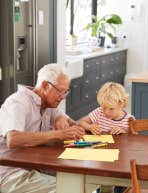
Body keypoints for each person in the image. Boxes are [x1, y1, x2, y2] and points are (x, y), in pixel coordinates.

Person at [0, 63, 85, 193]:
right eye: (60, 91)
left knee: (80, 181)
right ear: (45, 85)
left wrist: (63, 118)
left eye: (66, 92)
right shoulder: (18, 102)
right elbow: (13, 139)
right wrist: (58, 134)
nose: (63, 97)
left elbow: (72, 123)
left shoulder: (48, 104)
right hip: (11, 173)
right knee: (72, 189)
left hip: (36, 167)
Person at [79, 82, 134, 193]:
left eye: (111, 109)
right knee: (102, 182)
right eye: (103, 108)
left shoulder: (129, 120)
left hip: (120, 161)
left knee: (120, 184)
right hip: (101, 158)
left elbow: (134, 140)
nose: (106, 112)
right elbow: (82, 122)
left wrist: (124, 131)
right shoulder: (99, 113)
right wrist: (90, 126)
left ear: (121, 104)